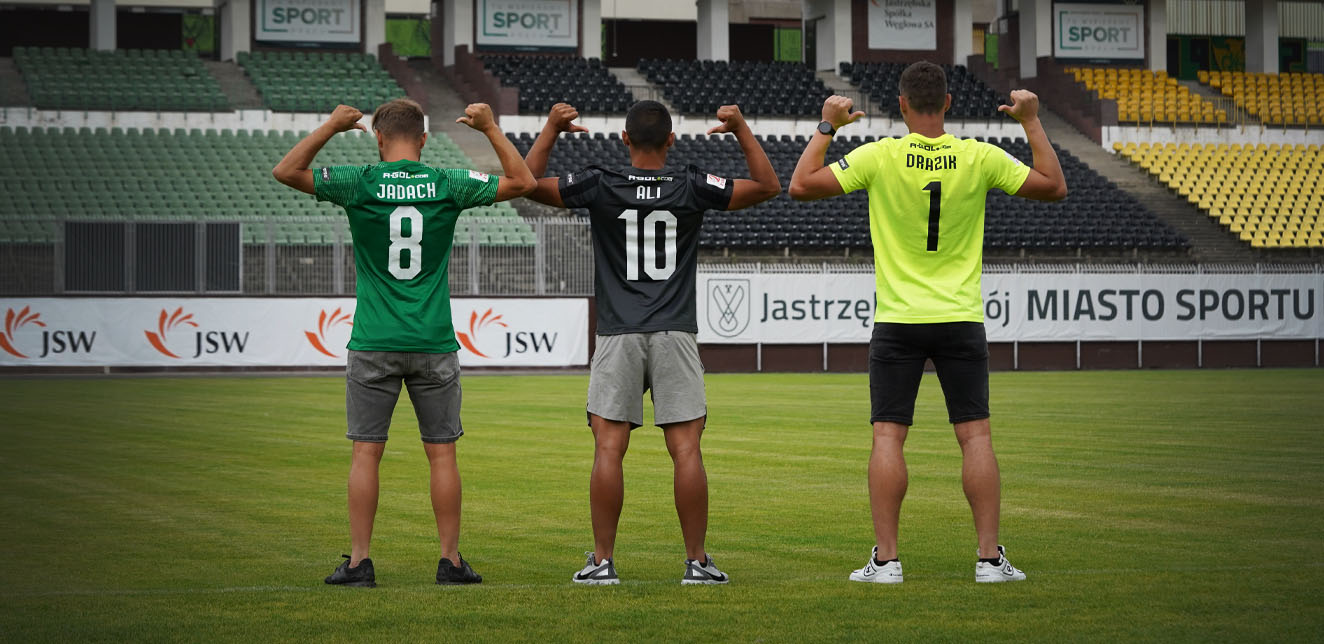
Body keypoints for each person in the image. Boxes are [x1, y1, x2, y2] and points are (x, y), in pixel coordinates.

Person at [788, 62, 1067, 583]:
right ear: (948, 103)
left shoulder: (880, 155)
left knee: (888, 438)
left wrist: (828, 125)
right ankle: (989, 560)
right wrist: (1031, 120)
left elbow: (801, 185)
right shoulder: (979, 156)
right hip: (960, 315)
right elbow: (1054, 186)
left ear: (901, 105)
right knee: (976, 437)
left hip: (899, 317)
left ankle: (887, 561)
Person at [272, 99, 535, 587]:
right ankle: (450, 561)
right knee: (442, 453)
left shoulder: (359, 182)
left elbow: (285, 171)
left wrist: (330, 127)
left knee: (366, 453)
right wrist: (490, 128)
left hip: (374, 338)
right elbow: (523, 183)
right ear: (424, 140)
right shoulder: (447, 182)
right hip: (433, 339)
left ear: (378, 138)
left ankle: (359, 563)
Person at [522, 101, 780, 585]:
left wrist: (552, 128)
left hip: (618, 332)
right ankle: (697, 563)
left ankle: (602, 563)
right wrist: (741, 128)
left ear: (624, 139)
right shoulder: (691, 184)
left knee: (608, 449)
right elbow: (768, 186)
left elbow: (526, 182)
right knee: (686, 450)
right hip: (674, 331)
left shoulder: (599, 182)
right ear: (671, 140)